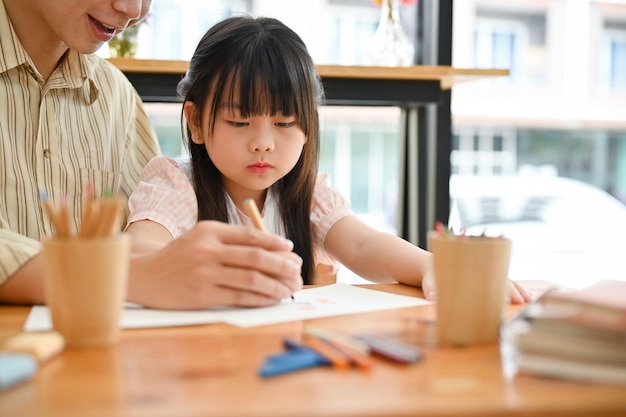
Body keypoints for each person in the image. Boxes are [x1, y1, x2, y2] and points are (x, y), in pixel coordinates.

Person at [125, 16, 532, 304]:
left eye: (285, 122)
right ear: (195, 122)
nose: (263, 143)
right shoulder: (177, 184)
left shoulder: (307, 194)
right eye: (239, 121)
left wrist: (435, 266)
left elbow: (363, 243)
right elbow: (138, 249)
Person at [0, 0, 303, 309]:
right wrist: (130, 277)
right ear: (194, 121)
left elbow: (154, 246)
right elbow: (150, 262)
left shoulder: (117, 99)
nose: (133, 9)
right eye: (238, 121)